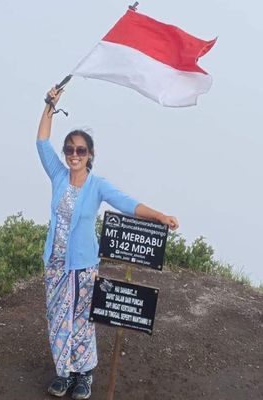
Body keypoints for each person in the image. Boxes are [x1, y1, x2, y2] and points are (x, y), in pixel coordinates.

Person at [36, 87, 179, 399]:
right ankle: (64, 372)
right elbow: (41, 141)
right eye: (70, 150)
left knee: (82, 320)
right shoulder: (58, 177)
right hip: (56, 266)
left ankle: (83, 374)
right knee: (57, 318)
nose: (75, 155)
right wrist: (49, 105)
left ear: (90, 155)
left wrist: (158, 215)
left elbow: (127, 203)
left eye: (81, 150)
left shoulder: (97, 185)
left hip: (84, 266)